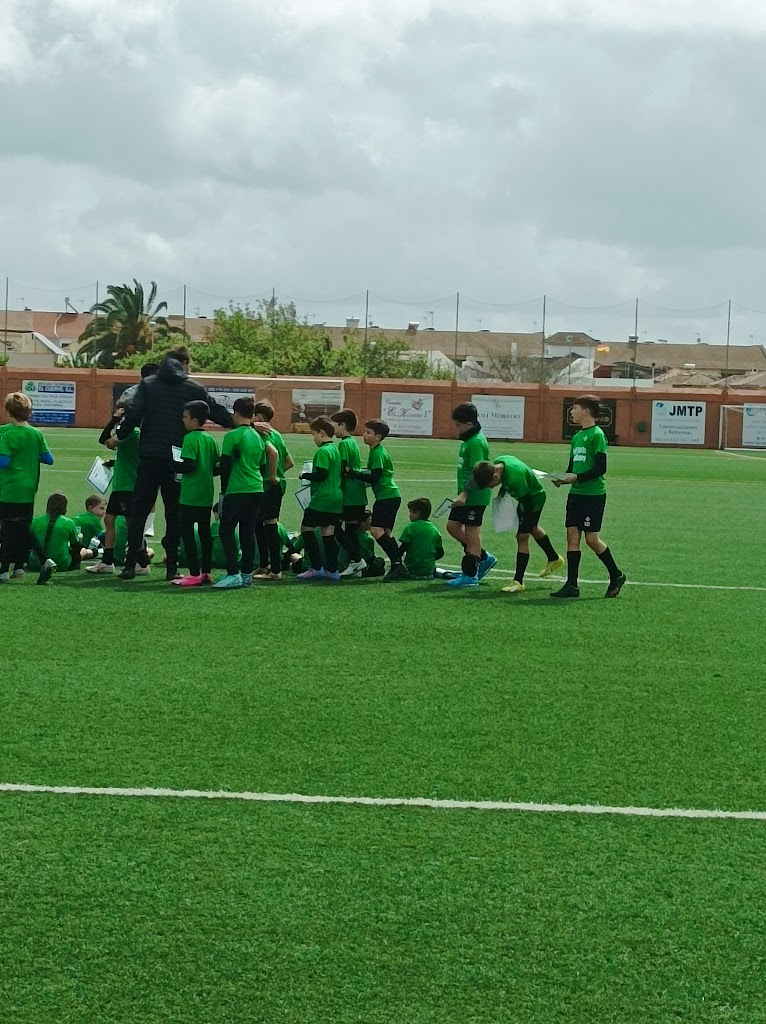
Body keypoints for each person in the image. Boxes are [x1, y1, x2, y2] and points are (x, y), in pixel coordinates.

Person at [116, 347, 233, 581]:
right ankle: (171, 567)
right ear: (184, 363)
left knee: (139, 512)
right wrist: (241, 423)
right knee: (174, 514)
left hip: (149, 455)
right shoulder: (193, 388)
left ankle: (130, 565)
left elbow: (134, 412)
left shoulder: (148, 385)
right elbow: (214, 411)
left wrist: (121, 432)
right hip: (179, 457)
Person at [550, 394, 627, 599]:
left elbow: (601, 468)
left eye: (574, 409)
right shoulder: (576, 438)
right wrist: (562, 478)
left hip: (593, 496)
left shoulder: (597, 435)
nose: (572, 412)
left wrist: (576, 477)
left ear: (585, 411)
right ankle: (572, 585)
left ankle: (616, 575)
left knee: (592, 539)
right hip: (576, 494)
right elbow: (571, 467)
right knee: (572, 537)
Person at [469, 457, 564, 594]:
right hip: (527, 497)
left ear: (495, 475)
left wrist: (525, 524)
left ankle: (518, 581)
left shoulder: (515, 480)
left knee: (522, 537)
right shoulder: (500, 461)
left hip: (533, 499)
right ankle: (554, 558)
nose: (491, 487)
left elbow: (528, 502)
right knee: (533, 528)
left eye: (490, 485)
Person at [215, 397, 277, 590]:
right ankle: (246, 574)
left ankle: (233, 572)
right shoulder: (258, 437)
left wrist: (224, 491)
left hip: (237, 488)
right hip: (256, 488)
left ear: (235, 413)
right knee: (247, 531)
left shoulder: (233, 436)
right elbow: (264, 465)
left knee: (225, 529)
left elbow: (225, 465)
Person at [0, 392, 56, 584]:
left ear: (8, 411)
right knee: (21, 527)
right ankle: (17, 567)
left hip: (10, 488)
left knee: (10, 528)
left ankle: (42, 560)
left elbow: (4, 462)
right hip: (29, 488)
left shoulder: (9, 436)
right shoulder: (35, 434)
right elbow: (49, 459)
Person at [87, 397, 143, 576]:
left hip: (128, 485)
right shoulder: (132, 433)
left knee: (131, 524)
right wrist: (114, 462)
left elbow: (104, 439)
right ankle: (108, 561)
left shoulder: (129, 433)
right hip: (122, 484)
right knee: (109, 520)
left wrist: (114, 420)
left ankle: (141, 563)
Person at [346, 419, 407, 581]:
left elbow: (375, 476)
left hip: (387, 496)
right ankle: (399, 564)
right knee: (386, 532)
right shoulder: (376, 451)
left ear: (378, 437)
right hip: (389, 495)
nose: (364, 435)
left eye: (368, 433)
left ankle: (397, 563)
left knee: (376, 530)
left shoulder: (377, 452)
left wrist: (352, 473)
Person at [446, 402, 496, 589]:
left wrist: (465, 494)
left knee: (472, 532)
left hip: (475, 496)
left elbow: (478, 472)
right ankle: (483, 557)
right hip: (465, 494)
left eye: (459, 425)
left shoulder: (476, 442)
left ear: (469, 424)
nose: (456, 429)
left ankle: (470, 575)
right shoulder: (468, 439)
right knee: (452, 526)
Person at [173, 400, 220, 587]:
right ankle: (206, 572)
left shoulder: (189, 438)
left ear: (194, 420)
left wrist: (173, 465)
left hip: (190, 494)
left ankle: (193, 573)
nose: (183, 420)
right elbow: (216, 466)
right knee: (205, 534)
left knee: (187, 533)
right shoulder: (210, 439)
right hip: (206, 494)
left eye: (185, 417)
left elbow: (189, 465)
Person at [113, 362, 160, 537]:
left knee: (149, 483)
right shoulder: (133, 393)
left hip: (144, 439)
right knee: (147, 484)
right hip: (141, 439)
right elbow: (121, 414)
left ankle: (147, 524)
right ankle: (144, 523)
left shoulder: (156, 392)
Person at [296, 416, 343, 581]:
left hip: (322, 498)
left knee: (306, 529)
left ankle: (316, 567)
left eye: (313, 434)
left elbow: (321, 474)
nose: (313, 438)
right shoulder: (335, 449)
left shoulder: (322, 451)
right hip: (336, 498)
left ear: (321, 433)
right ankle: (333, 570)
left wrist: (304, 474)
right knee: (328, 532)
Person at [252, 399, 294, 580]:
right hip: (275, 486)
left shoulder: (263, 433)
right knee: (259, 525)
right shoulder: (277, 434)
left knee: (268, 525)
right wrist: (279, 474)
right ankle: (264, 565)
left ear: (258, 417)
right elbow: (289, 462)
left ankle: (275, 570)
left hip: (269, 486)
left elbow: (274, 454)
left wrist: (271, 476)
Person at [330, 408, 368, 577]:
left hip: (349, 495)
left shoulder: (344, 444)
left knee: (335, 526)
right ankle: (356, 565)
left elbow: (341, 470)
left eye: (335, 426)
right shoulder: (353, 442)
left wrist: (336, 490)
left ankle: (356, 559)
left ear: (342, 425)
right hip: (358, 494)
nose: (334, 429)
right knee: (352, 529)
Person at [28, 493, 83, 578]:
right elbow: (76, 546)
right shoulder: (68, 522)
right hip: (61, 564)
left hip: (35, 563)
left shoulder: (36, 521)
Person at [399, 498, 444, 580]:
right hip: (428, 571)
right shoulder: (435, 530)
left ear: (418, 513)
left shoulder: (410, 527)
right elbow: (440, 553)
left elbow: (402, 548)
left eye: (411, 512)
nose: (409, 515)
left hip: (411, 569)